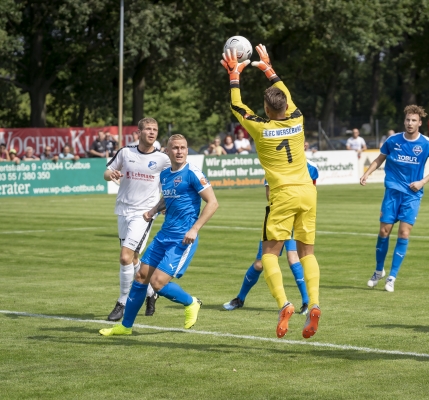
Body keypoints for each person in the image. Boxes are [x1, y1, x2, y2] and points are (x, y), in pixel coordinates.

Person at [222, 44, 321, 339]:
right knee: (307, 252)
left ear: (266, 109)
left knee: (269, 254)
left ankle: (284, 304)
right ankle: (314, 303)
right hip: (308, 192)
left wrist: (234, 75)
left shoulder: (260, 129)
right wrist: (268, 68)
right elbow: (286, 96)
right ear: (285, 107)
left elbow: (237, 107)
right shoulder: (298, 119)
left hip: (282, 195)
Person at [100, 134, 219, 336]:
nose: (179, 151)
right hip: (164, 234)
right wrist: (153, 210)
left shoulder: (192, 173)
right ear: (167, 151)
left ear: (187, 150)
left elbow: (213, 203)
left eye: (183, 148)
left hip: (183, 238)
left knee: (157, 283)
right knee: (141, 276)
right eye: (175, 148)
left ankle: (191, 302)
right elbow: (169, 197)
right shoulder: (165, 175)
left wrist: (195, 228)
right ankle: (125, 327)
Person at [360, 105, 429, 292]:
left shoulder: (427, 144)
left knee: (404, 234)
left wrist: (422, 181)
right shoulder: (393, 140)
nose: (410, 123)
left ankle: (392, 277)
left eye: (414, 120)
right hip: (392, 193)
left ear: (420, 123)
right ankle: (378, 270)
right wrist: (367, 174)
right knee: (384, 232)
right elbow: (379, 159)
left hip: (412, 195)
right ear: (404, 121)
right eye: (407, 120)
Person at [223, 161, 319, 314]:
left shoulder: (308, 166)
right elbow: (270, 193)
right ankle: (240, 299)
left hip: (287, 216)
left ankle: (306, 302)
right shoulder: (276, 163)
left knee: (291, 258)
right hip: (281, 216)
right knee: (261, 263)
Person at [103, 118, 171, 322]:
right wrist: (111, 174)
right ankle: (150, 293)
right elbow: (106, 173)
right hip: (123, 210)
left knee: (125, 257)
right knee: (132, 259)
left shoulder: (163, 159)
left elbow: (173, 183)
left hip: (144, 213)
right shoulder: (126, 152)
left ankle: (122, 302)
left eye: (155, 130)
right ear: (139, 132)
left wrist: (165, 204)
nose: (152, 132)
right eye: (148, 129)